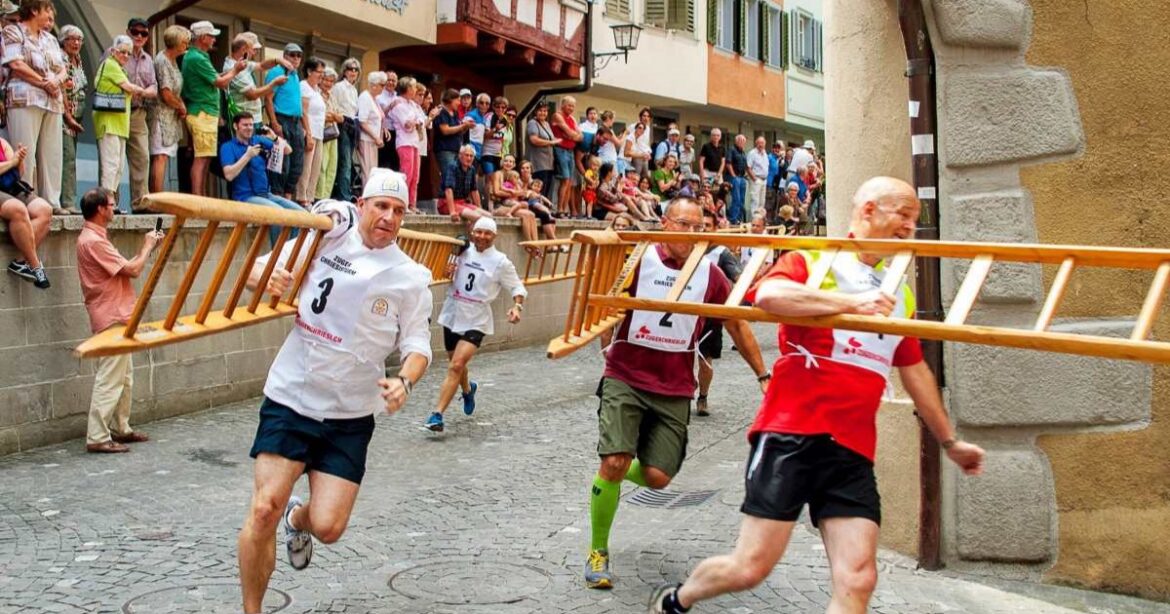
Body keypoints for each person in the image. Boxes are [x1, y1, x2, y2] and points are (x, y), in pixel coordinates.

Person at [648, 177, 987, 614]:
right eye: (901, 214)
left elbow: (915, 370)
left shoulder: (897, 292)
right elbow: (769, 295)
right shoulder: (817, 259)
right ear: (867, 211)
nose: (909, 227)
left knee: (858, 578)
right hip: (790, 435)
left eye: (914, 219)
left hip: (852, 450)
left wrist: (950, 441)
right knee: (750, 568)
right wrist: (851, 305)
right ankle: (679, 599)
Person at [236, 168, 432, 614]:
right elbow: (257, 273)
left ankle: (298, 519)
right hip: (293, 395)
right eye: (381, 206)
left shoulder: (409, 275)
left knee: (328, 527)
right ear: (361, 204)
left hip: (349, 414)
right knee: (263, 509)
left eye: (398, 210)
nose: (389, 217)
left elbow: (418, 344)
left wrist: (405, 379)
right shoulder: (325, 234)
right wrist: (267, 281)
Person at [585, 198, 769, 590]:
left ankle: (611, 476)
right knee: (616, 460)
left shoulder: (710, 274)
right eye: (681, 223)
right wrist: (605, 350)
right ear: (664, 222)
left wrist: (763, 375)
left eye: (695, 226)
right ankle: (598, 549)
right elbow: (607, 306)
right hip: (626, 376)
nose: (687, 232)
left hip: (674, 385)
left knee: (658, 477)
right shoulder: (638, 260)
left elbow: (736, 324)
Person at [76, 187, 163, 453]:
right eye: (112, 205)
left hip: (118, 313)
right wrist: (148, 245)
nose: (115, 208)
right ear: (101, 209)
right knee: (110, 377)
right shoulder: (93, 241)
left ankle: (120, 428)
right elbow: (133, 270)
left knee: (124, 377)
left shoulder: (95, 237)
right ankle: (97, 436)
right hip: (111, 315)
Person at [426, 216, 526, 432]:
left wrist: (517, 307)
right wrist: (446, 271)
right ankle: (468, 389)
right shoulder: (461, 251)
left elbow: (517, 287)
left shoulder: (501, 262)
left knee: (456, 366)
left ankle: (437, 415)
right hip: (453, 311)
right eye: (479, 232)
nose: (482, 237)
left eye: (487, 233)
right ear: (473, 232)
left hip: (477, 317)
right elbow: (441, 270)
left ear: (494, 236)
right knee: (455, 363)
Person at [2, 0, 65, 210]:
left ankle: (51, 201)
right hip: (24, 97)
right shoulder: (13, 32)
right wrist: (44, 83)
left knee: (52, 154)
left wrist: (55, 82)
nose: (50, 15)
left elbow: (63, 69)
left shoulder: (50, 39)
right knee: (24, 150)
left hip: (53, 100)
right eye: (47, 10)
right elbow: (16, 63)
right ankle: (25, 197)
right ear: (34, 10)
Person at [182, 21, 245, 197]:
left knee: (205, 157)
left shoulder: (198, 56)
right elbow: (220, 82)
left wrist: (231, 71)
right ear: (202, 38)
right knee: (201, 158)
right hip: (202, 112)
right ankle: (198, 198)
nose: (213, 40)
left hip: (204, 112)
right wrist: (236, 70)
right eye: (211, 36)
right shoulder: (196, 58)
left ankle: (200, 197)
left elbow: (216, 77)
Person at [694, 207, 745, 417]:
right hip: (685, 313)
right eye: (700, 226)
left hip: (710, 316)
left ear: (715, 229)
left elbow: (738, 277)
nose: (702, 230)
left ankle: (703, 396)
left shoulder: (721, 253)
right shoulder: (686, 247)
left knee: (705, 360)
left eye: (707, 226)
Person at [219, 113, 298, 245]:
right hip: (245, 197)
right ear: (235, 126)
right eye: (245, 125)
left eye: (251, 124)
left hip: (266, 195)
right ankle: (276, 257)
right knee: (278, 214)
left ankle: (290, 255)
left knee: (301, 215)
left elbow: (288, 150)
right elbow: (229, 175)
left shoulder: (257, 140)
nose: (249, 128)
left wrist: (274, 137)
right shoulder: (227, 147)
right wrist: (247, 156)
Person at [94, 36, 154, 205]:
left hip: (120, 123)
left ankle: (110, 201)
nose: (126, 56)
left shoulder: (120, 68)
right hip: (109, 122)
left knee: (118, 167)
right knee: (110, 164)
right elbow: (130, 87)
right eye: (122, 52)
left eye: (128, 53)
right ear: (113, 51)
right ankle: (107, 201)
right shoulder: (111, 65)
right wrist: (146, 91)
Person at [1, 136, 52, 288]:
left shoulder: (2, 143)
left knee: (45, 209)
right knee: (18, 209)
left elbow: (19, 173)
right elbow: (11, 164)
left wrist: (20, 159)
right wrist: (12, 162)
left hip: (12, 187)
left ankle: (21, 262)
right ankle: (36, 266)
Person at [122, 18, 157, 211]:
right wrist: (143, 90)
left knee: (142, 157)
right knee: (115, 160)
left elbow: (154, 86)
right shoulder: (116, 52)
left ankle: (139, 203)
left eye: (144, 34)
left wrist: (141, 92)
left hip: (138, 112)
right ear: (128, 32)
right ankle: (112, 204)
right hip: (118, 110)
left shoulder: (148, 59)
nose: (139, 36)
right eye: (135, 32)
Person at [150, 25, 189, 194]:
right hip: (161, 115)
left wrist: (180, 104)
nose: (187, 44)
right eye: (184, 41)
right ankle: (156, 197)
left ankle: (159, 195)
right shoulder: (163, 61)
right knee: (160, 156)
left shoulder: (173, 61)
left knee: (163, 156)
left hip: (170, 116)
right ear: (176, 42)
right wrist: (180, 105)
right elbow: (165, 94)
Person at [263, 44, 303, 198]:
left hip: (296, 121)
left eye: (299, 55)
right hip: (281, 119)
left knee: (297, 163)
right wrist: (274, 122)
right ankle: (277, 197)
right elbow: (268, 98)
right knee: (281, 162)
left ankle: (288, 198)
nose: (296, 58)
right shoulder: (276, 71)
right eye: (293, 55)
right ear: (285, 55)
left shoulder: (295, 74)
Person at [59, 25, 86, 211]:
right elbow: (64, 91)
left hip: (76, 116)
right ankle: (68, 202)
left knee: (70, 158)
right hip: (65, 117)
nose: (76, 43)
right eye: (71, 39)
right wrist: (68, 116)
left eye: (79, 39)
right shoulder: (62, 58)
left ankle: (69, 200)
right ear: (63, 40)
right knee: (67, 158)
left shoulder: (77, 59)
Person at [389, 76, 426, 211]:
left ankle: (412, 203)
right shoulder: (398, 103)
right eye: (414, 87)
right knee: (407, 173)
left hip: (414, 142)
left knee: (415, 176)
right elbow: (407, 124)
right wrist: (416, 121)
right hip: (404, 141)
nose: (415, 90)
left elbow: (421, 119)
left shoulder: (412, 104)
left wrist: (417, 121)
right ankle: (402, 203)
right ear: (408, 88)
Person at [295, 57, 327, 207]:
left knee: (316, 168)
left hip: (319, 133)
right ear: (309, 71)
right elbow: (304, 112)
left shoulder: (317, 90)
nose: (321, 75)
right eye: (318, 72)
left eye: (323, 72)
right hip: (309, 131)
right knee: (306, 167)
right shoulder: (304, 86)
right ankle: (301, 197)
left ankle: (310, 197)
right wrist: (308, 134)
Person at [332, 58, 361, 201]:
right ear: (344, 71)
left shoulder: (354, 90)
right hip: (342, 124)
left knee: (348, 161)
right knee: (345, 162)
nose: (353, 72)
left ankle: (345, 191)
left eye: (356, 70)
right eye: (350, 69)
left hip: (352, 125)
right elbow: (334, 106)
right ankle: (343, 195)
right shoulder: (339, 87)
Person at [434, 87, 472, 188]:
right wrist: (462, 126)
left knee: (455, 177)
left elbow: (457, 130)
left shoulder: (454, 113)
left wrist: (466, 127)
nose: (459, 103)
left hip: (455, 150)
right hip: (445, 150)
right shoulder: (442, 112)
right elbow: (445, 130)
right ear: (451, 99)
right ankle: (446, 201)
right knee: (448, 177)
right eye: (458, 100)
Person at [441, 144, 489, 223]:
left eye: (471, 156)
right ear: (460, 156)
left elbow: (474, 190)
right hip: (447, 203)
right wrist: (452, 212)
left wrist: (479, 207)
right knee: (477, 217)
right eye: (467, 155)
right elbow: (448, 190)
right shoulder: (452, 166)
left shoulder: (472, 169)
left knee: (488, 216)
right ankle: (473, 235)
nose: (469, 158)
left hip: (462, 203)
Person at [550, 95, 582, 216]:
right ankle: (559, 209)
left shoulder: (572, 119)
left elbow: (580, 136)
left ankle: (564, 209)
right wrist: (572, 135)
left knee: (569, 182)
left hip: (570, 151)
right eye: (569, 105)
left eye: (573, 106)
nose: (571, 108)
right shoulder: (558, 115)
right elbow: (570, 132)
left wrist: (572, 135)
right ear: (563, 105)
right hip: (561, 150)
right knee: (565, 179)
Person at [355, 71, 387, 185]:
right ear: (374, 84)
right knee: (368, 171)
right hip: (366, 139)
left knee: (373, 172)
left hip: (373, 141)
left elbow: (379, 118)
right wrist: (376, 137)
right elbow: (362, 121)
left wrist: (383, 131)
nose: (383, 88)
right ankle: (366, 198)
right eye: (382, 85)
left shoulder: (375, 99)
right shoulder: (365, 97)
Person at [315, 68, 341, 202]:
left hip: (333, 133)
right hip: (321, 133)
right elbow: (321, 115)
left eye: (331, 81)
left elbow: (340, 117)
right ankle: (319, 196)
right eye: (326, 80)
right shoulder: (316, 93)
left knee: (332, 167)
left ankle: (327, 196)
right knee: (322, 166)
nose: (328, 83)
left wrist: (333, 116)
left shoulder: (332, 96)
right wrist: (333, 117)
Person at [526, 104, 557, 199]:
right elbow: (534, 140)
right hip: (538, 162)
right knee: (538, 188)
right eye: (540, 110)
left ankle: (545, 209)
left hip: (548, 162)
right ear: (535, 112)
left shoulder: (547, 124)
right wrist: (551, 142)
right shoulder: (532, 123)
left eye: (545, 111)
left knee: (547, 188)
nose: (543, 113)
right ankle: (536, 209)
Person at [724, 134, 749, 224]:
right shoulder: (731, 149)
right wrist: (734, 176)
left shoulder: (743, 152)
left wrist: (745, 175)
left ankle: (739, 218)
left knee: (742, 200)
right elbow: (728, 163)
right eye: (740, 140)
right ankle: (733, 219)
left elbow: (745, 166)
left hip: (741, 177)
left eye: (743, 141)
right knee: (736, 199)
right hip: (733, 177)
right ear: (736, 141)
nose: (742, 142)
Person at [745, 136, 770, 216]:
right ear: (756, 143)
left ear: (765, 144)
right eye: (759, 143)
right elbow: (748, 167)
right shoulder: (752, 153)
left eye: (762, 143)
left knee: (762, 201)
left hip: (764, 180)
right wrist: (755, 179)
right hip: (756, 179)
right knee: (755, 200)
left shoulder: (765, 153)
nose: (760, 145)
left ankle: (760, 219)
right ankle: (754, 220)